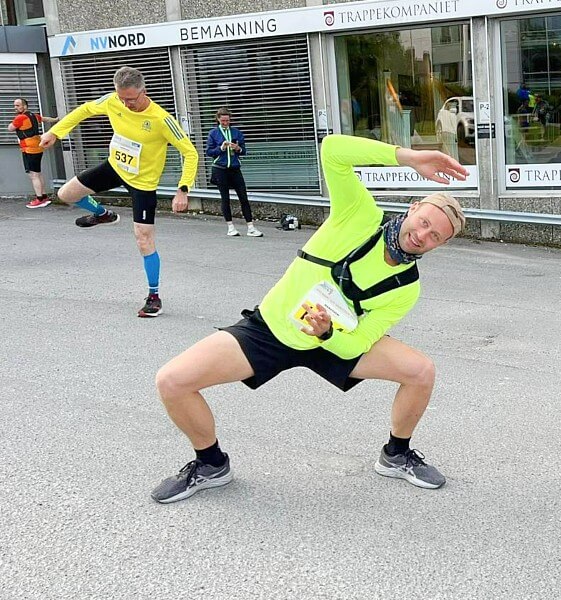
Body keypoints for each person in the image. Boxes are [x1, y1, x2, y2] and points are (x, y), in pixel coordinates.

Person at [150, 134, 468, 504]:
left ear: (439, 246)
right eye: (426, 221)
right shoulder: (359, 215)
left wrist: (329, 333)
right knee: (172, 381)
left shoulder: (406, 287)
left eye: (435, 237)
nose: (423, 234)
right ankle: (210, 464)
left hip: (331, 339)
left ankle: (396, 454)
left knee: (420, 371)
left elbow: (360, 341)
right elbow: (332, 151)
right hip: (272, 329)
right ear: (414, 207)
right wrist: (407, 157)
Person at [40, 66, 198, 318]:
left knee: (144, 239)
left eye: (131, 99)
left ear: (144, 91)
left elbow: (190, 153)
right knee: (66, 194)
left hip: (143, 183)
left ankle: (154, 296)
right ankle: (103, 214)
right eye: (122, 98)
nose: (126, 104)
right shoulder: (114, 101)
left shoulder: (162, 119)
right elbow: (85, 109)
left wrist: (183, 189)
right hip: (115, 167)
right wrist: (55, 132)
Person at [205, 107, 262, 237]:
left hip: (235, 169)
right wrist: (221, 148)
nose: (225, 123)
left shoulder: (236, 132)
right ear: (218, 120)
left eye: (227, 120)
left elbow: (244, 151)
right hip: (220, 169)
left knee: (244, 198)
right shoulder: (213, 133)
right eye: (223, 120)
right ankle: (230, 227)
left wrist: (238, 148)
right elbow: (209, 152)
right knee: (225, 199)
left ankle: (251, 227)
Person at [7, 98, 58, 208]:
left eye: (17, 105)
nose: (15, 108)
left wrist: (14, 122)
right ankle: (44, 196)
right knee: (38, 173)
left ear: (24, 106)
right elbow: (45, 119)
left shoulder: (20, 118)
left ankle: (40, 199)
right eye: (15, 105)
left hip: (29, 149)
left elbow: (10, 128)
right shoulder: (34, 115)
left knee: (33, 175)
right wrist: (56, 119)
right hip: (37, 147)